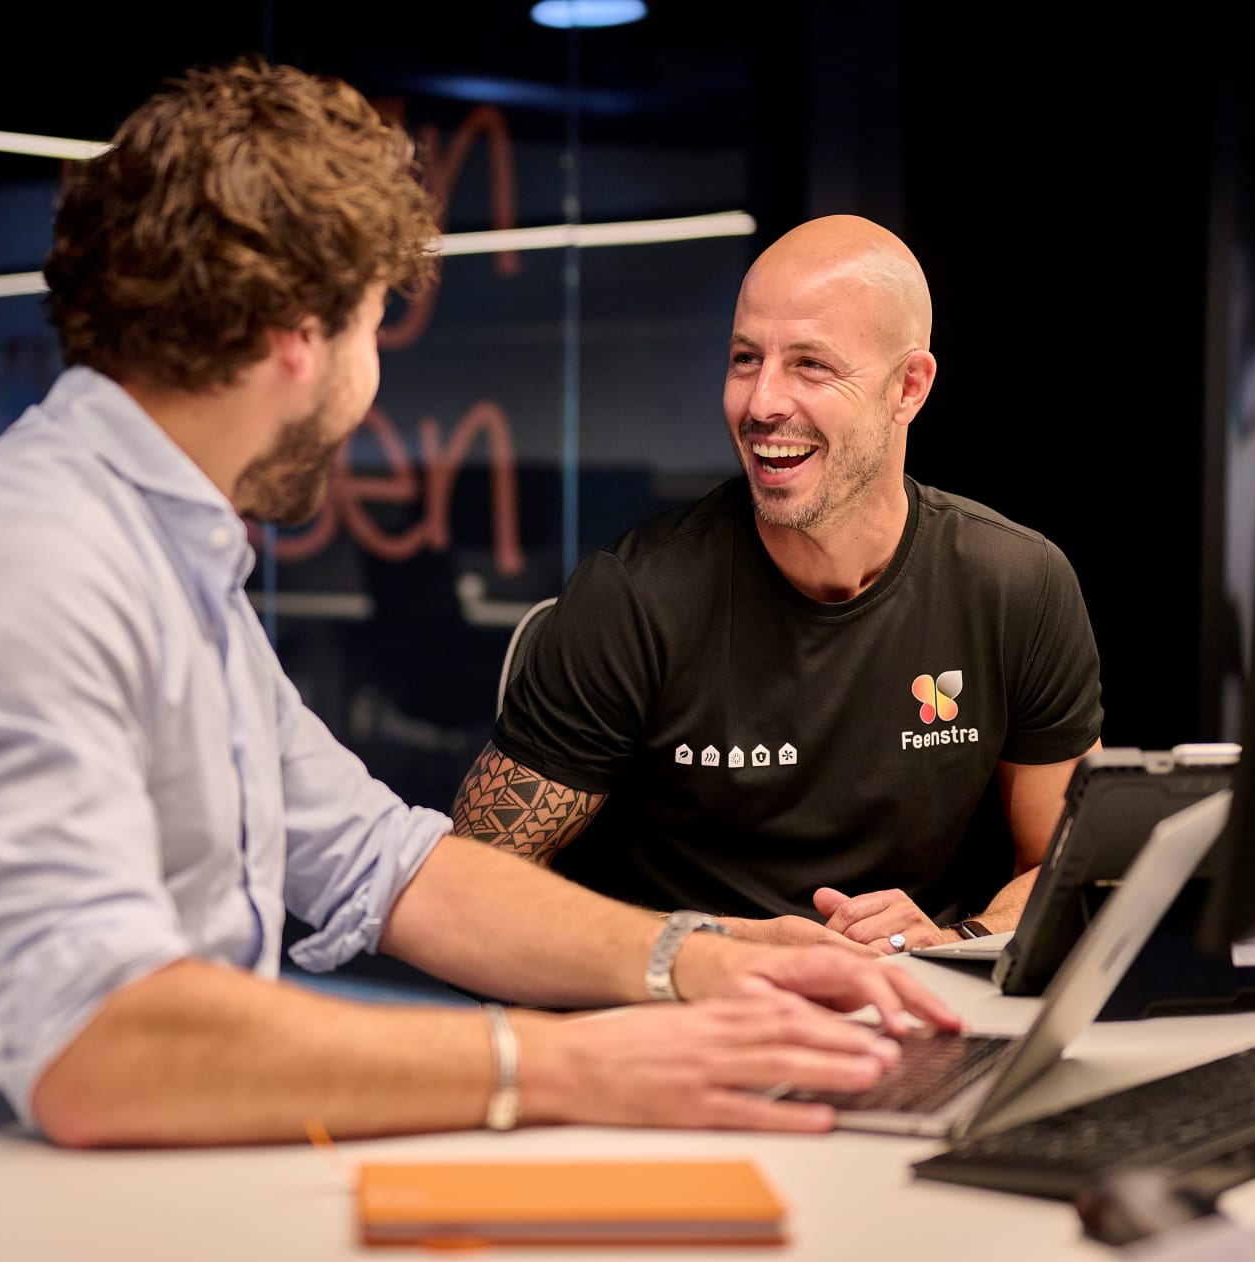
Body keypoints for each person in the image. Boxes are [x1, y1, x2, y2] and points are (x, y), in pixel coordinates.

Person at [0, 61, 958, 1154]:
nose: (373, 383)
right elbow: (95, 1045)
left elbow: (382, 863)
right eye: (370, 325)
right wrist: (568, 1065)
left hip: (136, 1179)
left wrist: (696, 957)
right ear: (296, 335)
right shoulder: (31, 561)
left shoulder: (166, 552)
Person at [453, 215, 1102, 956]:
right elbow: (473, 886)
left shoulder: (1016, 584)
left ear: (908, 387)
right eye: (744, 359)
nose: (761, 403)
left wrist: (951, 945)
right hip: (682, 1006)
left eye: (810, 365)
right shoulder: (635, 597)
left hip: (910, 999)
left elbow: (1069, 863)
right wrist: (721, 950)